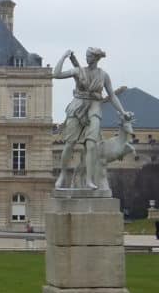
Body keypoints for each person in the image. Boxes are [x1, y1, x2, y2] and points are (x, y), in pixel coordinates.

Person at [53, 47, 130, 189]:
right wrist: (64, 56)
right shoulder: (78, 71)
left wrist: (123, 111)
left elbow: (112, 95)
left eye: (89, 56)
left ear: (96, 58)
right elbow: (56, 74)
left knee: (91, 146)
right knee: (70, 143)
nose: (87, 58)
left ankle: (89, 180)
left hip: (94, 107)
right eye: (86, 56)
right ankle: (62, 174)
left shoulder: (103, 75)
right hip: (77, 106)